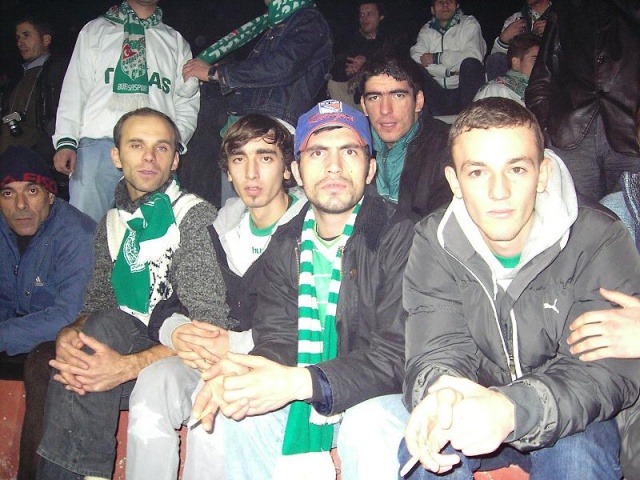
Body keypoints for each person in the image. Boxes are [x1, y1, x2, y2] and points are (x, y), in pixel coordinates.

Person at [399, 97, 640, 479]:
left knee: (577, 458)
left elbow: (601, 372)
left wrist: (512, 408)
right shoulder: (434, 240)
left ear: (543, 174)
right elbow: (436, 349)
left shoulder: (598, 237)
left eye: (516, 169)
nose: (499, 191)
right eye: (477, 172)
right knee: (427, 450)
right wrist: (441, 392)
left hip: (568, 414)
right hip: (472, 402)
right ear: (454, 181)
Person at [191, 100, 415, 479]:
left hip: (388, 397)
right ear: (296, 170)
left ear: (371, 168)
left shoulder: (402, 235)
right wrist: (249, 369)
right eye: (317, 153)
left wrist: (303, 381)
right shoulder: (285, 243)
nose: (333, 166)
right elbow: (279, 336)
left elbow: (399, 356)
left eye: (349, 151)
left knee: (367, 423)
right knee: (244, 411)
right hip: (316, 387)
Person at [36, 107, 228, 480]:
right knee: (61, 358)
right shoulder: (111, 223)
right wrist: (71, 331)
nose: (149, 158)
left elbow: (208, 324)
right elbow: (98, 301)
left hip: (182, 354)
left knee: (99, 336)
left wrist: (125, 367)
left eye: (161, 148)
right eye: (136, 145)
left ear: (175, 160)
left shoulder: (194, 216)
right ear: (116, 156)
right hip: (121, 341)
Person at [125, 114, 308, 480]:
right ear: (228, 171)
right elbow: (167, 300)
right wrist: (178, 332)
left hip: (275, 366)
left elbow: (309, 323)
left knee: (218, 410)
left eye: (266, 157)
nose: (251, 173)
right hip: (214, 357)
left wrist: (234, 345)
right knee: (154, 383)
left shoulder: (309, 229)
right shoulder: (217, 228)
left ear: (288, 168)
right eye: (239, 159)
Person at [52, 0, 200, 222]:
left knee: (153, 230)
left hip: (153, 152)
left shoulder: (175, 41)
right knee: (85, 227)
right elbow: (76, 87)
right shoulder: (96, 30)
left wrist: (173, 145)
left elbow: (187, 101)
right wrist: (66, 140)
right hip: (99, 148)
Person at [0, 145, 94, 480]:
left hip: (75, 335)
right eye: (8, 193)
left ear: (51, 196)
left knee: (46, 361)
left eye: (32, 191)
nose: (20, 206)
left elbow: (67, 316)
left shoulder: (77, 235)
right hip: (20, 332)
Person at [182, 0, 333, 205]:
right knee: (236, 208)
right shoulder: (278, 22)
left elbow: (281, 67)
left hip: (272, 128)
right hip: (249, 124)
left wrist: (216, 73)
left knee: (260, 207)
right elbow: (262, 73)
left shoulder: (307, 19)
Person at [526, 0, 640, 201]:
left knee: (631, 214)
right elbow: (542, 76)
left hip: (631, 134)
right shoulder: (565, 10)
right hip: (570, 134)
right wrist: (546, 125)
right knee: (577, 214)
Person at [359, 53, 451, 218]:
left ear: (418, 101)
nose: (385, 110)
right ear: (364, 106)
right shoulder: (350, 149)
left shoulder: (448, 150)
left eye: (398, 96)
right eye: (374, 97)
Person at [1, 16, 69, 198]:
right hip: (10, 160)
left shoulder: (58, 70)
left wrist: (39, 156)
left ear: (46, 39)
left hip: (34, 165)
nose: (20, 42)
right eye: (18, 37)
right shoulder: (18, 75)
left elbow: (58, 118)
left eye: (26, 35)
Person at [409, 0, 486, 116]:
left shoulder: (469, 24)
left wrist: (437, 58)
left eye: (449, 1)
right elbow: (416, 56)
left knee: (471, 64)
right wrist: (449, 71)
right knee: (415, 69)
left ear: (457, 6)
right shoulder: (427, 30)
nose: (445, 5)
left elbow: (474, 55)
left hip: (463, 90)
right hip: (436, 92)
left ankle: (472, 116)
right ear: (433, 9)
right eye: (440, 2)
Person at [328, 1, 388, 110]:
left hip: (379, 92)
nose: (364, 18)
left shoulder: (390, 40)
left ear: (381, 17)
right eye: (361, 15)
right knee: (333, 84)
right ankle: (349, 118)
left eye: (369, 14)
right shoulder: (351, 39)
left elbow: (391, 64)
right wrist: (348, 71)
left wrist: (366, 65)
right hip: (353, 94)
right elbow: (335, 62)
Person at [485, 0, 551, 80]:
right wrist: (503, 40)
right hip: (519, 80)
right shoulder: (516, 19)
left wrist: (554, 32)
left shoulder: (561, 16)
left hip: (551, 78)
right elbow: (496, 64)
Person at [474, 34, 540, 106]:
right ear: (516, 63)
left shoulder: (541, 96)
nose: (540, 66)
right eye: (535, 60)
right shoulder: (496, 92)